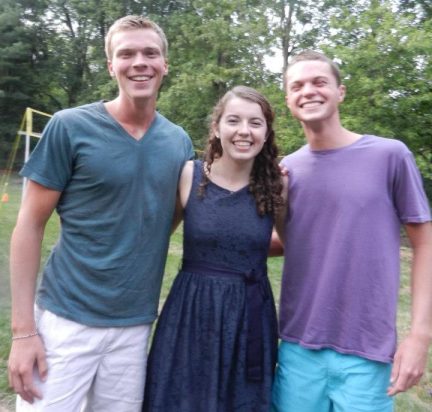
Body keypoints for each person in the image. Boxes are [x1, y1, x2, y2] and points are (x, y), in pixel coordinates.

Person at [7, 15, 193, 411]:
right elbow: (29, 226)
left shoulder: (178, 142)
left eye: (150, 53)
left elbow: (169, 217)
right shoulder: (69, 127)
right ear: (111, 66)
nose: (139, 62)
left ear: (165, 64)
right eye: (126, 54)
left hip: (134, 326)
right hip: (65, 320)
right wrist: (23, 332)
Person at [271, 50, 432, 411]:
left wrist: (420, 336)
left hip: (367, 351)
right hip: (298, 347)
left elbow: (425, 245)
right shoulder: (286, 171)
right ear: (288, 100)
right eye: (297, 86)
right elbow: (296, 240)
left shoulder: (390, 155)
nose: (308, 91)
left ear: (340, 92)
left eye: (319, 82)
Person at [142, 85, 288, 411]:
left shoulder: (278, 185)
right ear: (217, 127)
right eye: (233, 120)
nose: (244, 131)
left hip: (250, 316)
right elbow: (153, 238)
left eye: (255, 123)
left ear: (266, 133)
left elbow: (295, 246)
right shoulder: (189, 175)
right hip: (192, 312)